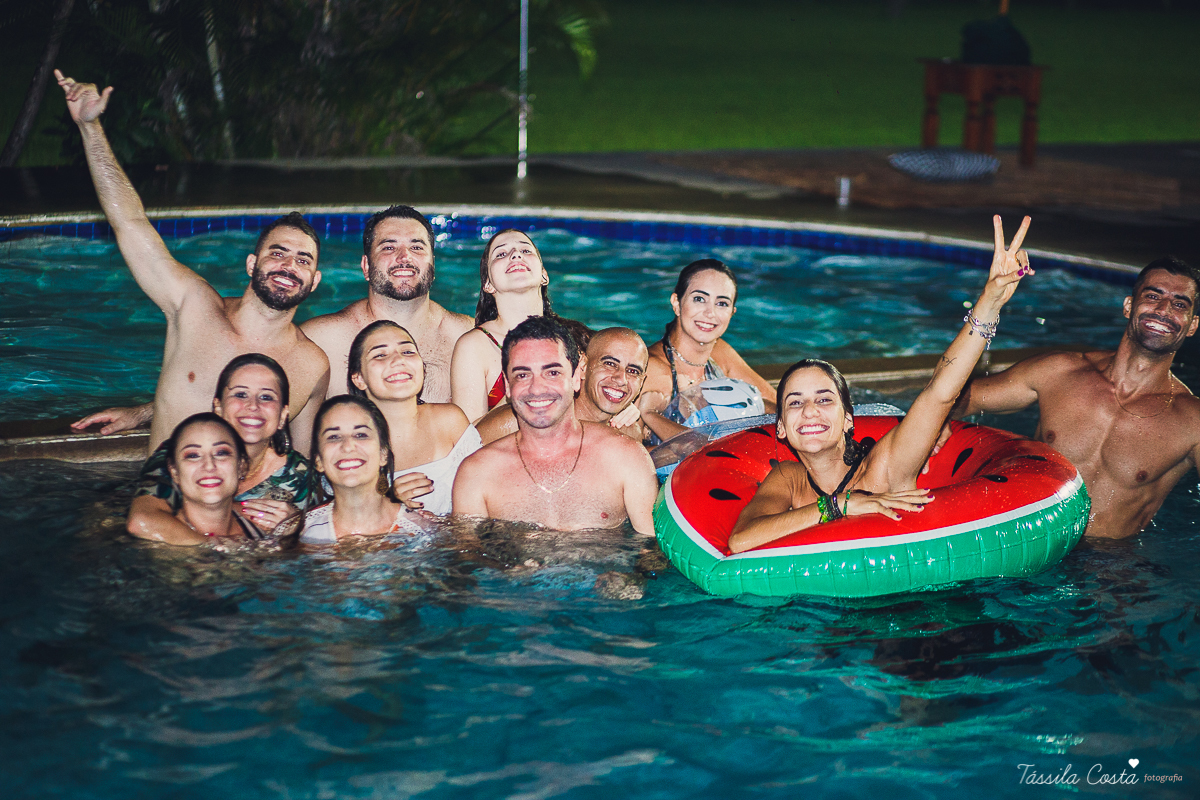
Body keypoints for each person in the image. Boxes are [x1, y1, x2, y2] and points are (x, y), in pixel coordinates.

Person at [58, 71, 329, 455]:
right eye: (277, 253)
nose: (288, 265)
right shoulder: (193, 305)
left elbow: (301, 460)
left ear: (314, 281)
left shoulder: (312, 365)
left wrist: (144, 412)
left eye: (303, 260)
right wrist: (91, 128)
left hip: (246, 494)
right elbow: (130, 222)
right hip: (164, 488)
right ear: (251, 264)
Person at [730, 216, 1032, 554]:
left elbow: (939, 394)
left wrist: (989, 302)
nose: (810, 410)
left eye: (825, 399)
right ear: (781, 427)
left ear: (848, 419)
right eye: (795, 402)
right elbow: (741, 540)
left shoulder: (884, 467)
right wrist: (839, 505)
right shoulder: (788, 478)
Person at [951, 254, 1200, 539]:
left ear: (1192, 325)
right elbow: (956, 399)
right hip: (1029, 545)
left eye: (1180, 304)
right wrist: (941, 429)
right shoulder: (1058, 372)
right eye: (1153, 296)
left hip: (1112, 561)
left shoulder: (1192, 421)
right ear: (1128, 306)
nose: (1164, 310)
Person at [452, 316, 658, 533]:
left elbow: (652, 547)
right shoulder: (477, 472)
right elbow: (466, 556)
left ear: (576, 375)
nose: (537, 388)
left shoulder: (628, 456)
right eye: (522, 374)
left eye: (552, 373)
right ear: (507, 385)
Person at [127, 354, 312, 542]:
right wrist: (218, 549)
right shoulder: (181, 453)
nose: (253, 406)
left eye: (266, 397)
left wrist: (300, 526)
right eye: (240, 394)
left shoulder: (300, 477)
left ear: (282, 415)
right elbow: (142, 520)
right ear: (219, 408)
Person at [301, 205, 473, 402]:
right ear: (366, 266)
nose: (405, 257)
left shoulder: (466, 338)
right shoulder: (319, 341)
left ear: (432, 264)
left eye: (417, 247)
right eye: (389, 247)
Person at [347, 320, 481, 515]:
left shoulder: (449, 421)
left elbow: (486, 497)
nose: (398, 360)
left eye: (408, 351)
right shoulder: (350, 443)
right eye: (380, 355)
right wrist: (385, 506)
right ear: (359, 378)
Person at [637, 259, 778, 443]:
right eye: (699, 299)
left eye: (722, 303)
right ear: (676, 303)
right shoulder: (652, 371)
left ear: (732, 312)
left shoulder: (720, 352)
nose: (710, 313)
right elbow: (625, 451)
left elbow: (779, 406)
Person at [475, 327, 650, 445]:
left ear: (642, 382)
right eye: (610, 364)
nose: (621, 379)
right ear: (582, 366)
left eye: (633, 371)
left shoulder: (628, 436)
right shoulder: (521, 420)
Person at [450, 229, 555, 422]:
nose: (516, 255)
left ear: (544, 275)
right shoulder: (475, 346)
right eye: (501, 254)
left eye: (526, 251)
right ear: (488, 284)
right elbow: (468, 436)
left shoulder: (568, 339)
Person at [301, 395, 424, 543]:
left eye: (360, 435)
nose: (348, 446)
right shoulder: (297, 533)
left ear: (383, 454)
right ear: (318, 460)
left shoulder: (421, 533)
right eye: (334, 437)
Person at [126, 413, 262, 545]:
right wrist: (211, 545)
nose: (209, 465)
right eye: (193, 455)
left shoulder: (263, 527)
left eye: (221, 453)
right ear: (174, 472)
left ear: (241, 467)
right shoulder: (154, 545)